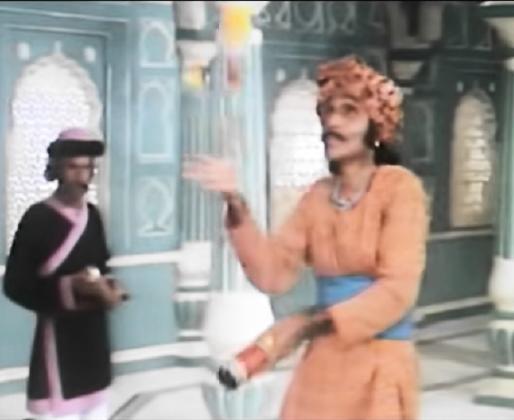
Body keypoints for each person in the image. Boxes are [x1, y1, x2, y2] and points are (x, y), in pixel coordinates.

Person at [184, 55, 429, 420]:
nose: (332, 122)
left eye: (349, 111)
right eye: (327, 111)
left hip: (380, 363)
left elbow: (397, 291)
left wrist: (306, 325)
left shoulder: (400, 188)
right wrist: (235, 202)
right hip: (323, 366)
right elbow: (273, 274)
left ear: (377, 126)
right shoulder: (318, 195)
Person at [3, 127, 126, 420]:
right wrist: (70, 288)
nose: (81, 176)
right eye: (73, 167)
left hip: (93, 338)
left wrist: (109, 289)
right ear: (57, 169)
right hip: (58, 339)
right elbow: (15, 285)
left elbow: (101, 268)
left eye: (87, 168)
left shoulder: (93, 216)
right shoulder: (37, 218)